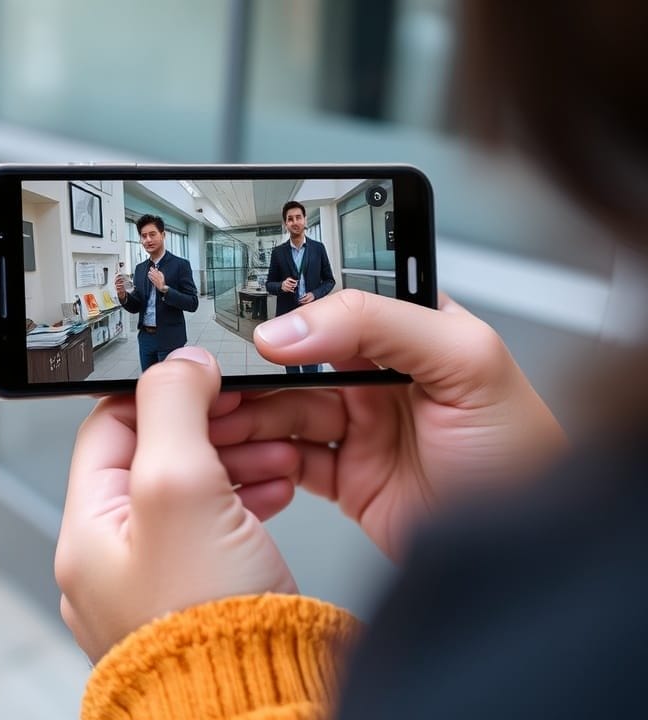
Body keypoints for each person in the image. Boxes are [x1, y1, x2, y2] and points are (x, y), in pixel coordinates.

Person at [55, 0, 648, 717]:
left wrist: (195, 664)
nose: (297, 224)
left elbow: (309, 289)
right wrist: (527, 524)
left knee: (288, 381)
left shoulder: (193, 264)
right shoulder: (592, 575)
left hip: (232, 338)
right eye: (147, 237)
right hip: (165, 346)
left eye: (301, 217)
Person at [115, 214, 199, 371]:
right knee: (149, 382)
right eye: (143, 236)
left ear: (163, 235)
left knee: (171, 384)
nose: (148, 240)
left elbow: (193, 303)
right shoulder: (140, 269)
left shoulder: (180, 265)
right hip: (146, 338)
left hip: (170, 338)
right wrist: (123, 296)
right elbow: (136, 306)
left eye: (152, 234)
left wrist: (165, 289)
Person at [265, 200, 335, 373]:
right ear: (285, 224)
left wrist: (315, 294)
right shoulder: (278, 252)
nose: (295, 222)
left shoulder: (318, 249)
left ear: (305, 220)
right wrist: (281, 285)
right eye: (290, 219)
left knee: (312, 363)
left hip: (311, 315)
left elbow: (329, 281)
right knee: (291, 365)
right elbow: (269, 284)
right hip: (287, 317)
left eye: (298, 217)